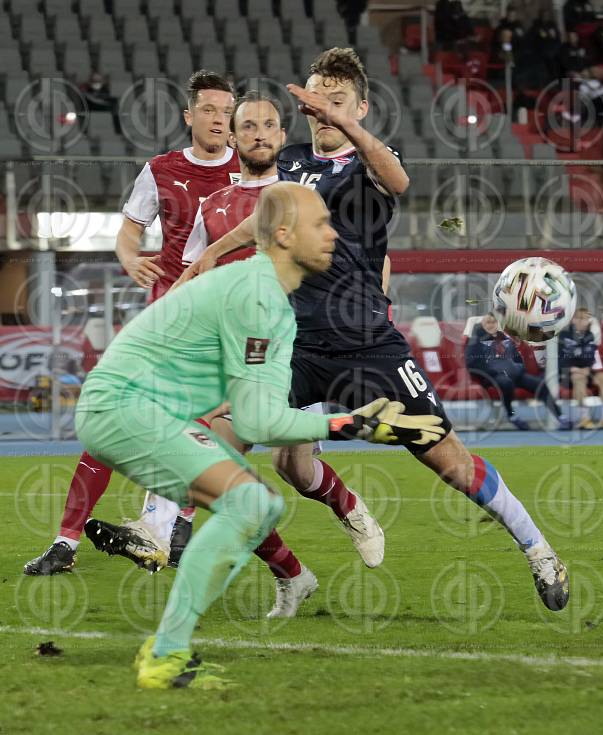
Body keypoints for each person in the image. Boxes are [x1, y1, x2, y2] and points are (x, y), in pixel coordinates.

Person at [180, 47, 570, 615]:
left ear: (359, 106)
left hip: (368, 346)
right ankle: (281, 567)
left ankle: (539, 549)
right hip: (297, 347)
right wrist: (211, 254)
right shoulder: (289, 163)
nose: (320, 109)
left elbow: (400, 179)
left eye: (335, 101)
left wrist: (347, 126)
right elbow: (266, 218)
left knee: (452, 465)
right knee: (212, 446)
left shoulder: (371, 162)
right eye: (316, 100)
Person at [74, 181, 436, 688]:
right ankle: (165, 655)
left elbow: (257, 414)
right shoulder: (259, 297)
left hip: (132, 409)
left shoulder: (267, 297)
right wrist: (352, 423)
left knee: (253, 504)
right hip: (125, 408)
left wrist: (353, 423)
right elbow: (258, 424)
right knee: (250, 503)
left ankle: (171, 646)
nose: (333, 234)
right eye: (321, 224)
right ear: (284, 234)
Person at [87, 92, 387, 620]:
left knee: (295, 467)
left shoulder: (305, 192)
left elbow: (361, 255)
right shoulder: (215, 206)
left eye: (270, 125)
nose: (259, 134)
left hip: (299, 348)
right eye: (247, 126)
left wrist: (371, 308)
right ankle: (267, 566)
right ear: (235, 136)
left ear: (281, 132)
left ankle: (346, 509)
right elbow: (195, 273)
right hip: (234, 352)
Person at [23, 70, 241, 576]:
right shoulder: (161, 169)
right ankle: (66, 542)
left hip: (224, 323)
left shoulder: (253, 172)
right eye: (208, 110)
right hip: (166, 318)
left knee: (200, 428)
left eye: (225, 111)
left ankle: (175, 526)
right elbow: (129, 231)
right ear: (189, 117)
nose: (217, 120)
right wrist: (129, 259)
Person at [465, 313, 570, 430]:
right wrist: (492, 373)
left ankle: (560, 416)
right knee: (506, 383)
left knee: (540, 384)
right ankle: (511, 415)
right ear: (482, 324)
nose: (491, 325)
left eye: (493, 322)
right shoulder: (475, 340)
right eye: (487, 323)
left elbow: (517, 358)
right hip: (493, 377)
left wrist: (519, 367)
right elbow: (471, 363)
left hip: (515, 374)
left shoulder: (505, 338)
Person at [558, 308, 603, 429]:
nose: (584, 321)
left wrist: (587, 368)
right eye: (581, 318)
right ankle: (584, 418)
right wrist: (573, 368)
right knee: (579, 377)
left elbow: (591, 357)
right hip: (569, 374)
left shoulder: (590, 336)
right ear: (574, 319)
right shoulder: (563, 335)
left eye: (586, 319)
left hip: (587, 371)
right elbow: (560, 359)